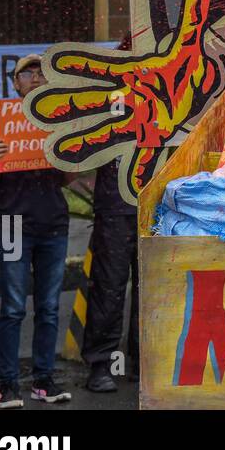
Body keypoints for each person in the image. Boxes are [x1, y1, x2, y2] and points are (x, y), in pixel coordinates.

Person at [0, 54, 73, 408]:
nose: (35, 78)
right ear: (15, 83)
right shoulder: (0, 126)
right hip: (14, 225)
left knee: (49, 308)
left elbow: (68, 178)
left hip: (54, 224)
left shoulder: (59, 125)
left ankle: (43, 381)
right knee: (13, 308)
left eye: (42, 73)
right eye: (27, 73)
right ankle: (7, 385)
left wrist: (67, 158)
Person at [81, 35, 139, 392]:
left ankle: (142, 359)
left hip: (152, 198)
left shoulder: (167, 81)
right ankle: (100, 364)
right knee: (109, 284)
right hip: (115, 201)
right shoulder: (106, 90)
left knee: (150, 284)